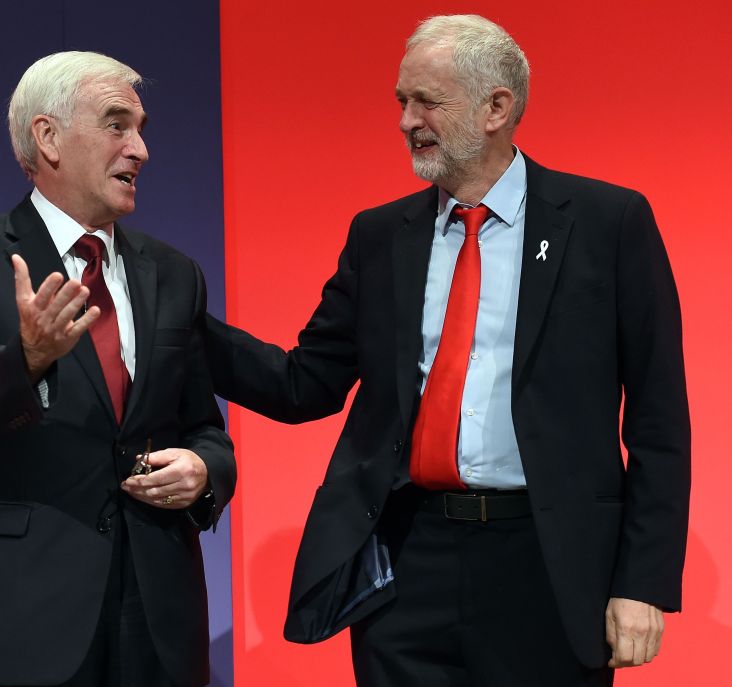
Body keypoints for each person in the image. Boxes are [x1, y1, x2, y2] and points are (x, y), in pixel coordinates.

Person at [205, 14, 689, 687]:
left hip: (546, 565)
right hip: (410, 561)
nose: (407, 120)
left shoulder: (608, 224)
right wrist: (179, 324)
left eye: (426, 101)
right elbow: (303, 382)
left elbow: (660, 422)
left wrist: (644, 582)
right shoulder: (380, 236)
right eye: (401, 101)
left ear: (498, 107)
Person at [0, 51, 236, 687]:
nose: (140, 149)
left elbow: (203, 425)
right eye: (117, 125)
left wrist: (206, 471)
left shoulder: (172, 273)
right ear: (48, 137)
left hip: (155, 614)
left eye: (141, 128)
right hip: (25, 612)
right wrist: (27, 358)